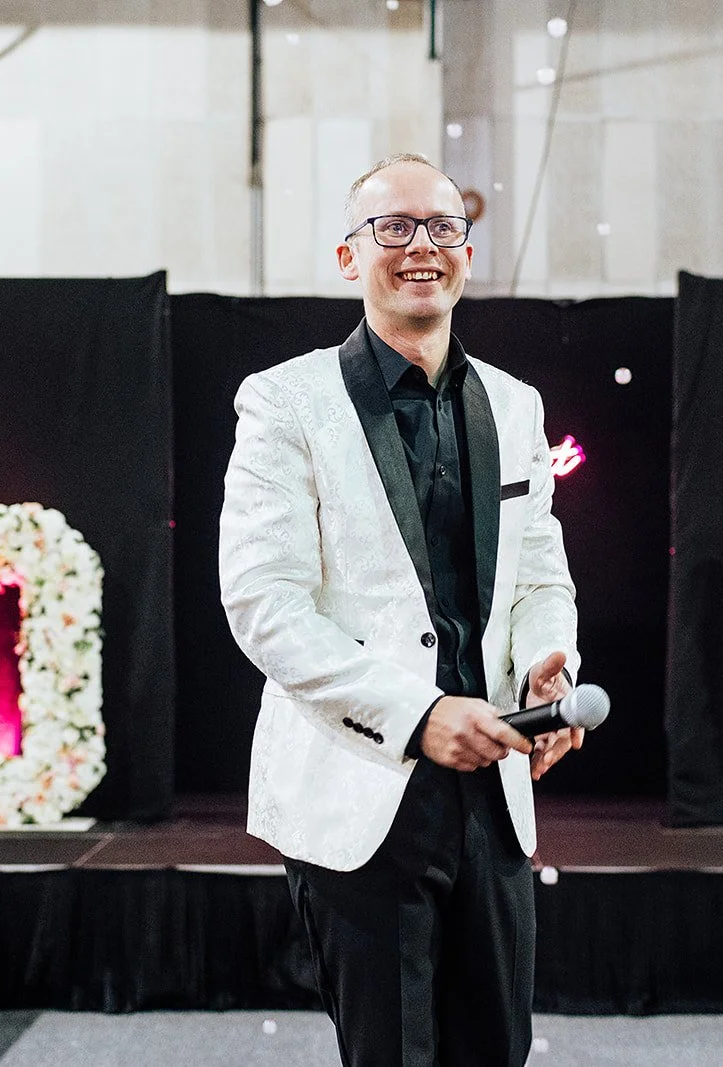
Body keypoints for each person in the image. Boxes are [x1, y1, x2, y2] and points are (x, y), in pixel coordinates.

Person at [219, 153, 581, 1067]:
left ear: (466, 251)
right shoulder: (283, 401)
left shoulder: (516, 403)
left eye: (444, 226)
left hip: (494, 791)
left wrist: (550, 661)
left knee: (497, 1049)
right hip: (363, 784)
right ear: (351, 258)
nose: (422, 245)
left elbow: (539, 571)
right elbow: (264, 603)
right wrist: (418, 715)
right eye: (394, 227)